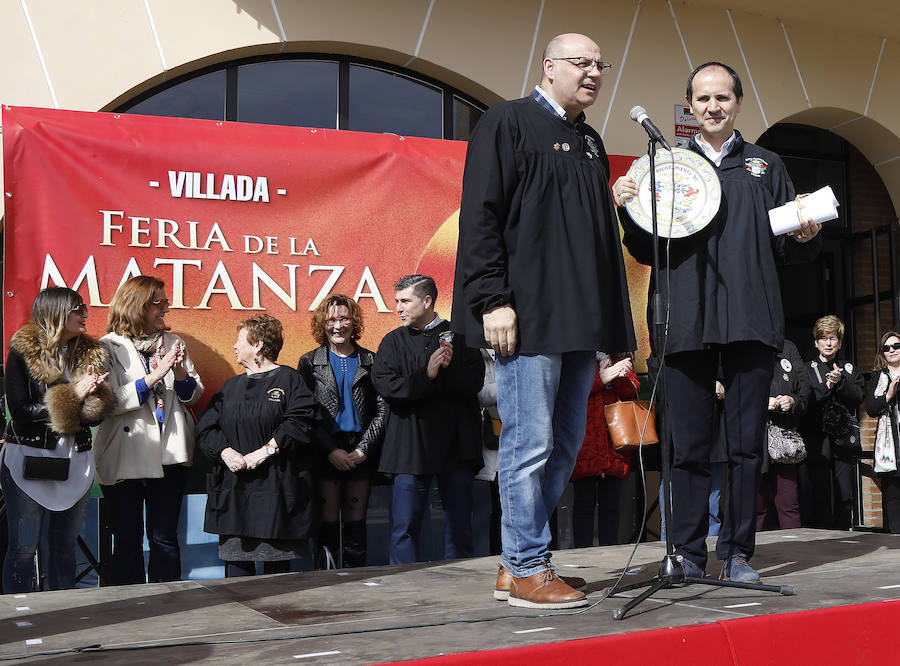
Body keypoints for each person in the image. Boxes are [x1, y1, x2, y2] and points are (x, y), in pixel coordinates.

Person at [614, 62, 821, 583]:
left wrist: (804, 233)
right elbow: (642, 247)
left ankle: (736, 555)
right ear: (690, 106)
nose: (712, 107)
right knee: (685, 446)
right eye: (702, 99)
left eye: (722, 98)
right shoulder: (667, 166)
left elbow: (784, 247)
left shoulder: (766, 166)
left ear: (738, 103)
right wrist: (627, 206)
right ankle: (685, 552)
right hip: (683, 325)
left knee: (747, 446)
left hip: (751, 322)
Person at [452, 33, 636, 609]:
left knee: (564, 444)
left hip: (580, 322)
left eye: (599, 64)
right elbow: (481, 215)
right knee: (528, 444)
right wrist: (491, 299)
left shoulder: (590, 142)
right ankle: (530, 565)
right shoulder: (507, 122)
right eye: (581, 62)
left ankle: (517, 562)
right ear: (549, 65)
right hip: (525, 317)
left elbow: (577, 231)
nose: (592, 72)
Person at [92, 276, 204, 585]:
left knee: (164, 538)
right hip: (125, 453)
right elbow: (110, 403)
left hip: (169, 453)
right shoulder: (107, 347)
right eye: (159, 303)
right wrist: (155, 375)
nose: (165, 309)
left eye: (165, 303)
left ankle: (168, 603)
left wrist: (179, 371)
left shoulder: (174, 343)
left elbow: (192, 395)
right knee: (127, 540)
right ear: (137, 305)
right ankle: (127, 607)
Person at [2, 287, 115, 592]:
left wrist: (94, 397)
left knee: (64, 548)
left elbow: (97, 415)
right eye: (79, 309)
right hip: (28, 459)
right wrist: (72, 395)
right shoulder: (23, 351)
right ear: (57, 311)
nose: (85, 315)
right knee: (23, 549)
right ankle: (20, 616)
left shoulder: (89, 354)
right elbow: (21, 410)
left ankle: (65, 613)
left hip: (75, 460)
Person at [372, 274, 484, 565]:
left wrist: (448, 368)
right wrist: (427, 375)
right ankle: (404, 584)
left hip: (456, 446)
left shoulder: (459, 337)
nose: (398, 307)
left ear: (427, 301)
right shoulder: (392, 341)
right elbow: (386, 386)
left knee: (459, 524)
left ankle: (460, 578)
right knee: (404, 526)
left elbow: (475, 382)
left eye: (405, 300)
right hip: (409, 447)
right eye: (396, 301)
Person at [198, 315, 317, 577]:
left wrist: (265, 452)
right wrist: (225, 452)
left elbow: (301, 421)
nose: (234, 346)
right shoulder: (230, 386)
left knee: (277, 585)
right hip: (234, 499)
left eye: (239, 340)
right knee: (236, 583)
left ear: (258, 344)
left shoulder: (290, 380)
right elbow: (206, 428)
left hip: (276, 497)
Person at [298, 294, 388, 568]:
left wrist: (363, 450)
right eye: (331, 319)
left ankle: (355, 581)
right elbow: (306, 414)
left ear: (354, 322)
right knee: (325, 524)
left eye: (344, 318)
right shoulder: (309, 362)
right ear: (322, 323)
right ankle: (324, 585)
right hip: (325, 450)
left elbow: (384, 411)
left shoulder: (371, 360)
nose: (338, 325)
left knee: (355, 522)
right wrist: (330, 450)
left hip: (361, 448)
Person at [801, 315, 864, 529]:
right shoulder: (807, 368)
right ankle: (823, 538)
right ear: (816, 341)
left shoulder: (847, 368)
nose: (828, 343)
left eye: (833, 338)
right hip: (817, 439)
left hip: (843, 439)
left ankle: (845, 536)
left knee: (844, 495)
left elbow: (857, 397)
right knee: (821, 495)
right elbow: (806, 400)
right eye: (824, 338)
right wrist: (827, 387)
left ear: (840, 342)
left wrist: (840, 383)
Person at [570, 354, 639, 548]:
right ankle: (581, 555)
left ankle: (611, 552)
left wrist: (619, 375)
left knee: (611, 504)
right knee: (584, 501)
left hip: (613, 442)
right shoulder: (578, 355)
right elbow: (572, 390)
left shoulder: (620, 357)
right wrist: (603, 377)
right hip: (586, 440)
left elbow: (632, 391)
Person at [757, 339, 809, 530]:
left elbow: (805, 388)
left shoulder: (788, 347)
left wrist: (792, 401)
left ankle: (794, 551)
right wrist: (760, 402)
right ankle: (750, 556)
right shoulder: (746, 345)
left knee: (789, 504)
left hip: (784, 439)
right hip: (755, 439)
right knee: (756, 506)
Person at [865, 331, 900, 533]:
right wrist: (888, 395)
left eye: (896, 346)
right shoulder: (879, 376)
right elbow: (870, 408)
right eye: (887, 348)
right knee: (892, 495)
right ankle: (895, 538)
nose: (892, 350)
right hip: (891, 445)